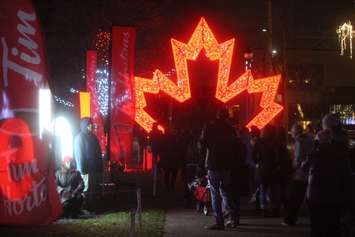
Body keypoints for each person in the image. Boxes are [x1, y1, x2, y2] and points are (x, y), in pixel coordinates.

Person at [302, 114, 353, 237]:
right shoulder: (342, 151)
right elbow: (346, 175)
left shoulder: (316, 153)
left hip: (316, 195)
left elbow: (304, 167)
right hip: (334, 194)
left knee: (317, 227)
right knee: (333, 226)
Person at [202, 108, 239, 230]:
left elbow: (202, 143)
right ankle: (233, 217)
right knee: (225, 190)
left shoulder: (209, 127)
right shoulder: (230, 129)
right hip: (226, 163)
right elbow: (235, 144)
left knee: (215, 192)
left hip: (213, 162)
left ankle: (219, 221)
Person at [282, 123, 313, 226]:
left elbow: (298, 158)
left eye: (292, 131)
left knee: (293, 197)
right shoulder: (309, 139)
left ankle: (290, 219)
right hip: (306, 173)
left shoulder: (299, 141)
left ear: (295, 132)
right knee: (299, 198)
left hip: (298, 174)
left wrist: (292, 168)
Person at [73, 117, 103, 210]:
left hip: (93, 169)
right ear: (84, 126)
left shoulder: (93, 137)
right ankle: (84, 207)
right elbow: (79, 154)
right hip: (86, 170)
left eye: (91, 124)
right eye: (88, 125)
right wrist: (82, 169)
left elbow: (98, 152)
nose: (91, 126)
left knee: (92, 189)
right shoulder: (80, 138)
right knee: (86, 188)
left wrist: (99, 166)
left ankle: (91, 206)